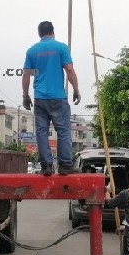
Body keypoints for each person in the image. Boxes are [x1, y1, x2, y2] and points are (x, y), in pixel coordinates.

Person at [21, 21, 81, 175]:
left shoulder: (32, 51)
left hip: (40, 98)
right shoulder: (61, 48)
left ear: (39, 33)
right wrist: (76, 89)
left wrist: (25, 95)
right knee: (63, 131)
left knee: (41, 131)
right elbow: (69, 69)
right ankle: (65, 165)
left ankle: (46, 165)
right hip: (58, 97)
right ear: (53, 32)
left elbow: (26, 74)